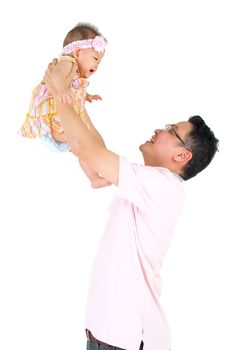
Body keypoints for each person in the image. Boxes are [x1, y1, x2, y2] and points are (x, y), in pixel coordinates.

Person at [44, 62, 219, 350]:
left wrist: (60, 91)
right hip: (109, 337)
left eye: (169, 130)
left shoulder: (164, 186)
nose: (158, 130)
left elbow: (92, 151)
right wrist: (73, 100)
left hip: (125, 340)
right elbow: (96, 158)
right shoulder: (147, 185)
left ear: (182, 155)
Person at [18, 23, 110, 189]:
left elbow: (75, 93)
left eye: (100, 62)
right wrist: (61, 88)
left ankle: (94, 178)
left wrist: (86, 96)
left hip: (58, 129)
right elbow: (57, 75)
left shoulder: (76, 76)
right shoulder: (68, 62)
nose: (97, 66)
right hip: (52, 123)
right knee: (86, 143)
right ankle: (95, 175)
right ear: (77, 52)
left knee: (84, 147)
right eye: (95, 59)